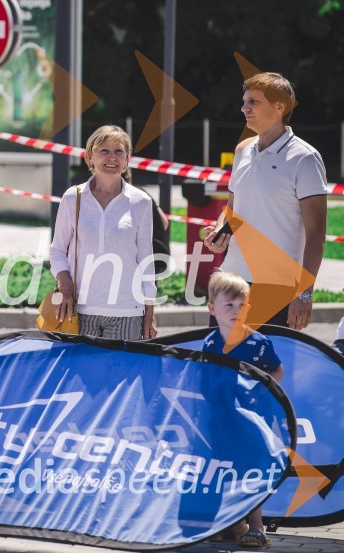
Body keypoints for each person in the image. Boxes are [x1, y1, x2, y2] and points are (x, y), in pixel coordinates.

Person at [204, 72, 327, 329]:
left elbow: (317, 233)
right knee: (219, 356)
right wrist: (219, 230)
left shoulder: (305, 158)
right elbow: (232, 208)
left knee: (269, 358)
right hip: (230, 280)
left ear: (279, 107)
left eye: (253, 102)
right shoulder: (242, 150)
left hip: (277, 288)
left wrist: (305, 294)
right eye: (244, 101)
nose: (244, 108)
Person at [49, 125, 157, 340]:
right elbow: (57, 250)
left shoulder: (141, 202)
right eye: (104, 150)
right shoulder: (72, 198)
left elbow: (146, 260)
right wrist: (65, 284)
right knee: (80, 364)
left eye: (119, 151)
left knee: (122, 364)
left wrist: (149, 313)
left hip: (127, 311)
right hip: (79, 309)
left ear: (127, 159)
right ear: (90, 157)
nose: (112, 157)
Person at [203, 271, 284, 547]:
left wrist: (258, 390)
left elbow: (278, 371)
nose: (236, 311)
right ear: (212, 309)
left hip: (254, 420)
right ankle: (232, 522)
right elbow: (206, 378)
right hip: (222, 419)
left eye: (242, 306)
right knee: (224, 468)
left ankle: (257, 527)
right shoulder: (210, 343)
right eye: (229, 305)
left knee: (251, 470)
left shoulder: (258, 344)